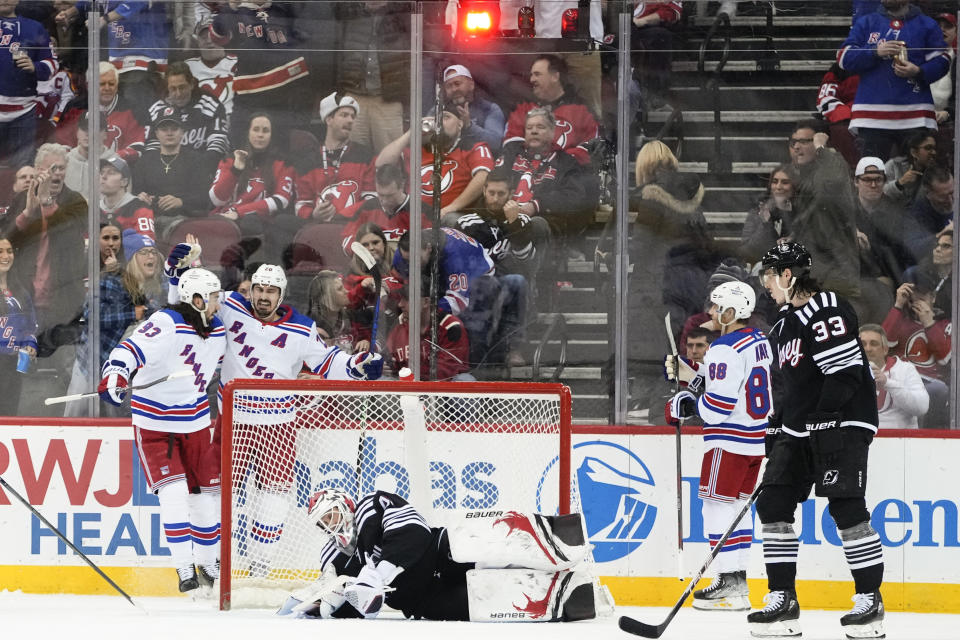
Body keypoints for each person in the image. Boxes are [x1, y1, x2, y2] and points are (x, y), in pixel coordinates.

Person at [163, 243, 384, 578]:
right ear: (250, 289)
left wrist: (357, 366)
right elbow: (190, 302)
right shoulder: (229, 305)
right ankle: (214, 562)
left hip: (278, 425)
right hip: (232, 421)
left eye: (271, 291)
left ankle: (260, 569)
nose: (263, 296)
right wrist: (176, 274)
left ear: (281, 294)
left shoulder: (301, 328)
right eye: (258, 289)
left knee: (274, 498)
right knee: (216, 493)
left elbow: (327, 362)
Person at [750, 241, 883, 639]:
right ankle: (783, 599)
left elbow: (844, 372)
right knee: (773, 502)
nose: (768, 288)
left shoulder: (825, 306)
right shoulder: (782, 325)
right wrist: (776, 425)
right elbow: (788, 387)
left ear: (788, 275)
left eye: (771, 278)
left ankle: (869, 600)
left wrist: (825, 420)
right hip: (801, 426)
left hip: (842, 422)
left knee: (845, 506)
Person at [277, 488, 596, 621]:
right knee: (488, 600)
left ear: (344, 504)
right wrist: (323, 606)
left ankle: (556, 536)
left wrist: (377, 575)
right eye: (323, 523)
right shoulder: (333, 559)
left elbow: (414, 533)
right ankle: (566, 597)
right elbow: (362, 609)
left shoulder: (370, 507)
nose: (330, 525)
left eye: (331, 515)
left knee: (478, 540)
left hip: (440, 551)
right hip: (421, 601)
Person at [97, 267, 224, 592]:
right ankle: (184, 568)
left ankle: (210, 564)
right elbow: (129, 350)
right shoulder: (166, 323)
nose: (217, 303)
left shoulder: (218, 329)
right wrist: (115, 376)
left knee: (205, 496)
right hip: (155, 423)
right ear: (196, 300)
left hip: (195, 421)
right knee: (174, 491)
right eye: (211, 298)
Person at [664, 281, 771, 610]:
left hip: (729, 440)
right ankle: (737, 582)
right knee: (737, 508)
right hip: (755, 441)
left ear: (730, 312)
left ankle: (727, 580)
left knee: (714, 507)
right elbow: (736, 385)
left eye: (716, 306)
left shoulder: (724, 348)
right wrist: (694, 374)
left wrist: (688, 404)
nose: (709, 312)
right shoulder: (759, 340)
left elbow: (719, 407)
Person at [66, 230, 165, 418]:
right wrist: (132, 314)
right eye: (144, 252)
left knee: (118, 420)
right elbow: (91, 316)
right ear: (131, 258)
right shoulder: (110, 280)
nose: (151, 256)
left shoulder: (156, 287)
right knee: (75, 417)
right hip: (92, 364)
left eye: (153, 252)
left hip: (125, 369)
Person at [838, 0, 950, 160]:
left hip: (915, 115)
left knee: (917, 175)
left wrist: (918, 71)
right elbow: (843, 58)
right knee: (873, 175)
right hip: (871, 116)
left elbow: (943, 61)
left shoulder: (927, 24)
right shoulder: (866, 22)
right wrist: (875, 51)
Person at [6, 143, 87, 335]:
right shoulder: (21, 200)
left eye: (61, 168)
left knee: (61, 362)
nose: (56, 174)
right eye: (51, 168)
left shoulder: (76, 201)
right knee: (22, 362)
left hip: (62, 301)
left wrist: (47, 203)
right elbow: (6, 242)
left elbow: (69, 236)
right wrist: (28, 212)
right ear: (38, 171)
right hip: (25, 297)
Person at [393, 228, 497, 370]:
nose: (411, 265)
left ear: (428, 248)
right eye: (407, 260)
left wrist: (422, 312)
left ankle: (474, 369)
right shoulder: (404, 254)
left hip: (479, 275)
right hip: (441, 274)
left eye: (415, 260)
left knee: (470, 322)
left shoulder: (455, 256)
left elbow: (458, 301)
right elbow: (403, 283)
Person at [495, 107, 600, 244]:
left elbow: (573, 196)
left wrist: (536, 205)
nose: (534, 131)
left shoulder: (566, 162)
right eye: (529, 128)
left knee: (536, 225)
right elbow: (494, 181)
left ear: (552, 132)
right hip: (505, 213)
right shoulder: (512, 154)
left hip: (544, 220)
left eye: (540, 127)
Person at [785, 120, 860, 299]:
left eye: (804, 141)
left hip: (835, 272)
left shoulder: (833, 166)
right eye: (794, 142)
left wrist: (821, 149)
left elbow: (827, 191)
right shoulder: (800, 176)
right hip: (811, 270)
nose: (797, 146)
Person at [209, 112, 296, 262]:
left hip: (260, 225)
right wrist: (236, 170)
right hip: (224, 221)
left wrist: (239, 212)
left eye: (265, 131)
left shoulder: (283, 163)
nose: (260, 135)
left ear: (272, 135)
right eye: (256, 129)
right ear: (248, 132)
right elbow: (216, 200)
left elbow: (280, 200)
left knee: (251, 223)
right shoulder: (230, 159)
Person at [376, 109, 493, 219]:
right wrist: (411, 132)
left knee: (451, 219)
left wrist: (450, 208)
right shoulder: (418, 150)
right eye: (436, 119)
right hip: (412, 217)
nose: (440, 123)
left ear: (460, 124)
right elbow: (381, 164)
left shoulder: (473, 147)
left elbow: (484, 177)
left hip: (450, 217)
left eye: (446, 117)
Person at [331, 1, 410, 152]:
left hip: (388, 98)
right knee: (351, 157)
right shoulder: (349, 12)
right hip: (354, 96)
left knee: (390, 158)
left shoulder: (402, 13)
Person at [882, 263, 951, 429]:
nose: (915, 301)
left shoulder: (945, 324)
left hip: (931, 382)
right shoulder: (898, 319)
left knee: (938, 389)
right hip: (900, 380)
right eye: (911, 296)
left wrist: (929, 324)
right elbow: (883, 345)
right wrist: (898, 305)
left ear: (933, 297)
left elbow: (944, 359)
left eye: (922, 296)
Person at [502, 55, 599, 167]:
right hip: (526, 175)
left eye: (537, 74)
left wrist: (556, 163)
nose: (531, 79)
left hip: (567, 178)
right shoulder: (524, 107)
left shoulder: (583, 111)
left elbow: (591, 149)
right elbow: (511, 144)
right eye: (531, 75)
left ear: (555, 77)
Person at [294, 92, 375, 222]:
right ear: (329, 119)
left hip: (355, 228)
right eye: (344, 115)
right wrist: (313, 214)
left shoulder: (365, 156)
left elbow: (372, 199)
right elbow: (301, 205)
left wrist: (344, 215)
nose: (350, 120)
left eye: (353, 117)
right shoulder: (308, 160)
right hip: (318, 230)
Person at [133, 107, 211, 239]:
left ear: (182, 132)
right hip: (149, 218)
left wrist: (181, 202)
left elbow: (205, 198)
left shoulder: (197, 160)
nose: (169, 133)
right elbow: (134, 193)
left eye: (174, 129)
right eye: (164, 129)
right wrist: (140, 198)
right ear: (156, 133)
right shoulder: (145, 161)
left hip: (183, 220)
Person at [853, 156, 913, 324]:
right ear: (856, 182)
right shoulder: (844, 210)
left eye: (878, 180)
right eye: (867, 180)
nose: (873, 185)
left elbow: (898, 254)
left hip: (883, 277)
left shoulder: (896, 212)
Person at [0, 0, 57, 170]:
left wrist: (35, 67)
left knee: (23, 169)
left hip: (23, 111)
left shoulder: (34, 28)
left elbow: (52, 63)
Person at [144, 62, 230, 175]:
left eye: (182, 87)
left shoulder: (210, 104)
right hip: (166, 170)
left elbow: (218, 144)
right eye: (173, 89)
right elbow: (151, 146)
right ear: (167, 87)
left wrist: (199, 169)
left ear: (192, 84)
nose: (178, 94)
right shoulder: (158, 108)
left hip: (201, 170)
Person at [386, 275, 471, 381]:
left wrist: (410, 375)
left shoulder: (450, 327)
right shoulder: (399, 326)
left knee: (464, 380)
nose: (400, 304)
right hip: (408, 388)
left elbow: (446, 372)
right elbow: (389, 361)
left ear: (426, 302)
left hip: (442, 391)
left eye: (407, 299)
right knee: (380, 378)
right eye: (401, 299)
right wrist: (383, 367)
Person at [340, 164, 431, 252]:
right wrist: (364, 253)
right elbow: (347, 239)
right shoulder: (367, 208)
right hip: (373, 265)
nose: (384, 201)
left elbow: (433, 245)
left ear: (402, 187)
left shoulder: (422, 211)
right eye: (381, 195)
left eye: (390, 195)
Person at [859, 323, 928, 429]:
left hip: (901, 440)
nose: (868, 349)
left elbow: (921, 407)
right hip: (861, 439)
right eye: (863, 344)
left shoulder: (905, 369)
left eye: (873, 344)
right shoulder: (847, 372)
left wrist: (887, 383)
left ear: (885, 349)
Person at [0, 233, 38, 416]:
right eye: (0, 252)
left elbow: (30, 327)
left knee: (10, 414)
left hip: (13, 366)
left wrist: (30, 344)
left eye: (8, 251)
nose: (5, 257)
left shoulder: (20, 291)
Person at [343, 223, 391, 350]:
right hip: (362, 342)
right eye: (364, 245)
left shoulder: (397, 271)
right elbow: (347, 306)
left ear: (384, 244)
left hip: (393, 338)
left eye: (376, 242)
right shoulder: (350, 279)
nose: (371, 248)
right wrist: (362, 288)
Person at [437, 64, 505, 154]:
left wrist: (469, 126)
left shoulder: (489, 109)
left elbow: (495, 143)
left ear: (471, 85)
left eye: (457, 84)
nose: (453, 89)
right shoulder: (438, 111)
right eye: (449, 86)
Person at [739, 164, 796, 264]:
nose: (778, 187)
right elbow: (746, 251)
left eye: (785, 182)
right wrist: (766, 225)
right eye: (775, 182)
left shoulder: (802, 214)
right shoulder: (757, 212)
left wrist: (793, 240)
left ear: (793, 187)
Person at [184, 18, 238, 122]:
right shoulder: (187, 66)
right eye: (203, 37)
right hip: (198, 123)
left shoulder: (237, 62)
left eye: (214, 36)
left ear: (225, 39)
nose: (209, 41)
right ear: (197, 41)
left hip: (231, 121)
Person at [903, 166, 954, 263]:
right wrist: (943, 233)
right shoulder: (915, 215)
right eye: (943, 196)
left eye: (952, 193)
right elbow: (913, 249)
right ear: (928, 194)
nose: (950, 200)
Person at [815, 63, 861, 170]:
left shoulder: (890, 63)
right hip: (848, 117)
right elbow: (825, 97)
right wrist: (847, 114)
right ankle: (850, 174)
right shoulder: (841, 66)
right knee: (841, 129)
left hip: (881, 116)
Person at [98, 154, 155, 239]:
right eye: (102, 172)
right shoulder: (93, 209)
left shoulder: (139, 207)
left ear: (124, 182)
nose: (103, 176)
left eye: (111, 173)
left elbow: (146, 244)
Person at [306, 270, 362, 354]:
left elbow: (378, 338)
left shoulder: (351, 317)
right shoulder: (313, 328)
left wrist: (366, 341)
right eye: (339, 289)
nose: (346, 291)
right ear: (325, 296)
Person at [882, 130, 938, 206]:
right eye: (928, 148)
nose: (934, 152)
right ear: (914, 152)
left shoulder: (935, 171)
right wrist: (900, 183)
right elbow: (879, 195)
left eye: (934, 148)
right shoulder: (894, 165)